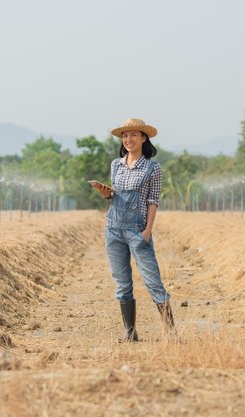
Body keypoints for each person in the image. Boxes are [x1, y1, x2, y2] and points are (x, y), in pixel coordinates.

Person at [90, 118, 174, 342]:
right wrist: (104, 191)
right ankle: (130, 333)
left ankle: (170, 332)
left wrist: (147, 232)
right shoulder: (116, 164)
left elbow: (153, 201)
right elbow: (113, 196)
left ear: (143, 138)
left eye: (133, 135)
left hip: (137, 230)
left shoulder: (152, 168)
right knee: (122, 282)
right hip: (114, 229)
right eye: (125, 136)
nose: (128, 139)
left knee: (152, 280)